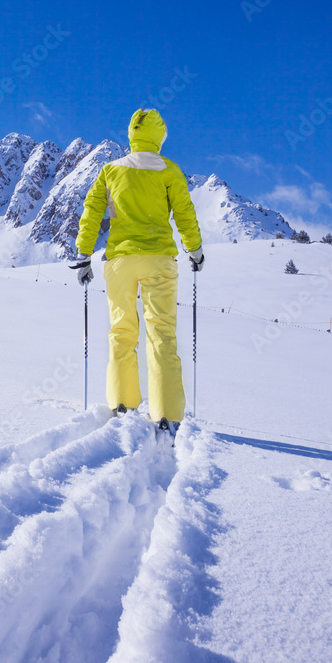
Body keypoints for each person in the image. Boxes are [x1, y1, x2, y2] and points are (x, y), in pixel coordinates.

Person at [71, 108, 204, 434]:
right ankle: (168, 413)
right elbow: (184, 213)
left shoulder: (110, 170)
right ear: (159, 136)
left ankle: (122, 403)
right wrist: (195, 251)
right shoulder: (169, 170)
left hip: (120, 261)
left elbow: (91, 213)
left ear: (131, 134)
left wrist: (84, 255)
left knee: (121, 332)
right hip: (159, 259)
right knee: (161, 336)